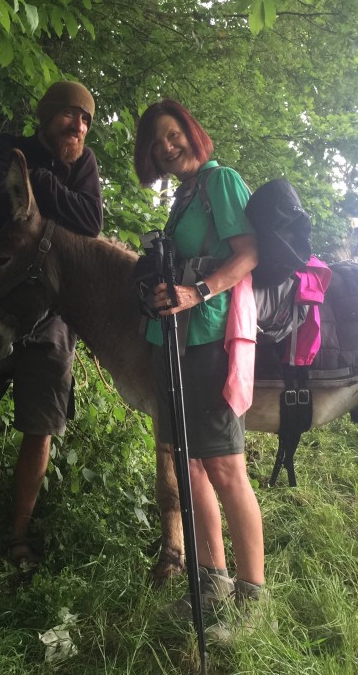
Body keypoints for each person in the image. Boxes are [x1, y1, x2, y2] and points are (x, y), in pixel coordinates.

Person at [0, 81, 103, 584]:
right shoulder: (3, 151)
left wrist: (39, 185)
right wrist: (52, 188)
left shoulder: (86, 163)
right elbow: (4, 210)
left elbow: (91, 222)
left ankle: (19, 534)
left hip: (50, 323)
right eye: (69, 116)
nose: (77, 126)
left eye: (84, 120)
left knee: (40, 428)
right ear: (47, 116)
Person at [133, 99, 266, 631]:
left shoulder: (220, 182)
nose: (168, 147)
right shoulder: (185, 197)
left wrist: (197, 291)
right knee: (188, 466)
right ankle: (212, 582)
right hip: (174, 343)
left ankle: (253, 600)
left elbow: (249, 252)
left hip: (209, 338)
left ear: (192, 132)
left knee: (226, 467)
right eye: (157, 143)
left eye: (173, 134)